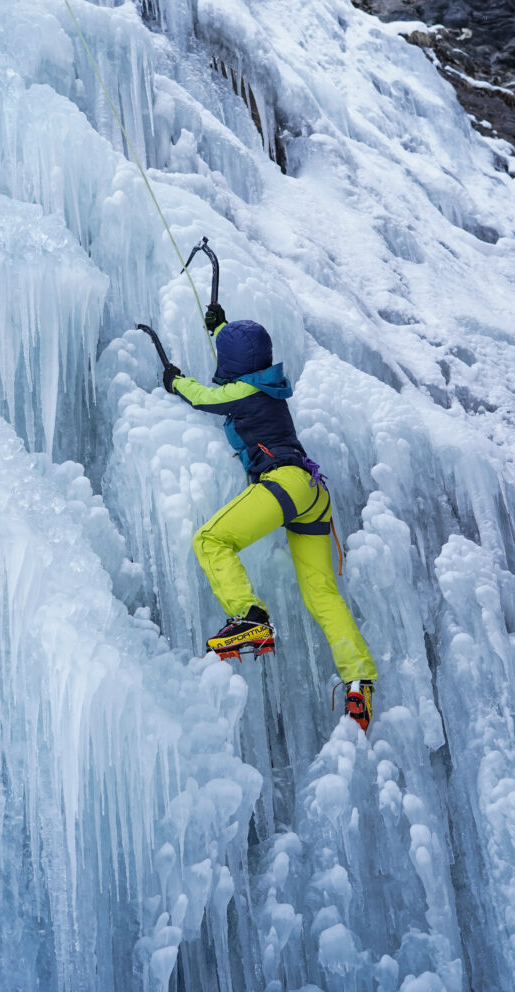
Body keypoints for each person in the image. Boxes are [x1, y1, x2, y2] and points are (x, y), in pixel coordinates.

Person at [162, 303, 378, 730]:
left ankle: (251, 617)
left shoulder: (241, 392)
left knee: (210, 541)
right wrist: (220, 326)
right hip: (313, 491)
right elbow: (244, 355)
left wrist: (175, 381)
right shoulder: (268, 383)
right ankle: (360, 681)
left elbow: (205, 397)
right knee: (322, 594)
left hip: (284, 483)